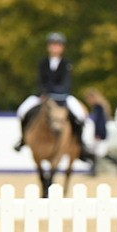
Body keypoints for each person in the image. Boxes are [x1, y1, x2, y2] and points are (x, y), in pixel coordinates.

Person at [14, 32, 95, 163]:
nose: (55, 48)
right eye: (52, 45)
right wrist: (44, 93)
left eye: (58, 45)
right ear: (48, 47)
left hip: (62, 96)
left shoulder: (66, 63)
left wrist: (57, 94)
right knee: (22, 111)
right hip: (43, 96)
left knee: (80, 115)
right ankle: (23, 139)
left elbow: (66, 83)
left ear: (62, 48)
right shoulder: (43, 63)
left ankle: (81, 143)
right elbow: (40, 81)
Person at [83, 89, 117, 174]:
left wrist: (98, 133)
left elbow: (100, 122)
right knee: (99, 152)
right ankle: (94, 170)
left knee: (97, 152)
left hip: (100, 133)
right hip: (101, 132)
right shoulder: (99, 107)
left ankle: (94, 171)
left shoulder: (98, 108)